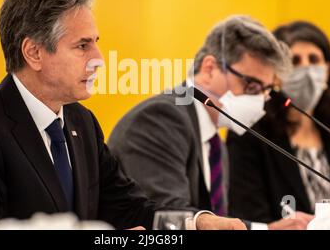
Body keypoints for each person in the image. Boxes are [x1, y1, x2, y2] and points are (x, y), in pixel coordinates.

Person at [0, 0, 245, 230]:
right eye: (83, 46)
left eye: (96, 43)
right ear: (33, 53)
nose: (98, 59)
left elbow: (128, 207)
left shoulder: (80, 122)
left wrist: (196, 223)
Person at [108, 16, 313, 229]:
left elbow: (215, 223)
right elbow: (168, 217)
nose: (259, 100)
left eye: (266, 91)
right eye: (251, 86)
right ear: (209, 69)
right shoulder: (160, 118)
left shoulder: (215, 144)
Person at [227, 21, 330, 224]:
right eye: (295, 60)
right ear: (274, 73)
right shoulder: (249, 135)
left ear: (327, 70)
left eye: (314, 59)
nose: (306, 68)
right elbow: (245, 219)